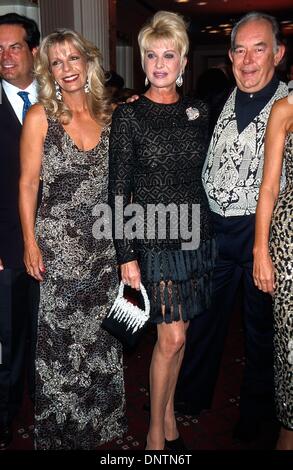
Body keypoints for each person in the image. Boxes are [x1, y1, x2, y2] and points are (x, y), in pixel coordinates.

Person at [176, 12, 287, 442]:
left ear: (278, 53)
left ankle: (256, 420)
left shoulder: (289, 103)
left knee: (261, 334)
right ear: (229, 55)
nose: (248, 59)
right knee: (204, 319)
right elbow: (173, 124)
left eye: (259, 48)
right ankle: (190, 396)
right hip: (214, 231)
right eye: (239, 49)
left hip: (264, 236)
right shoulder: (215, 101)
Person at [108, 11, 216, 451]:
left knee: (181, 336)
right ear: (142, 60)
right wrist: (125, 254)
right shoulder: (129, 117)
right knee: (169, 337)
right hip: (153, 239)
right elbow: (117, 191)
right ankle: (155, 432)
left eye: (168, 55)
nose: (159, 63)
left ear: (184, 62)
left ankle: (168, 415)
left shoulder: (199, 111)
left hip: (195, 236)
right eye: (151, 55)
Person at [19, 29, 126, 450]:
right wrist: (30, 242)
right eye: (57, 62)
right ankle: (61, 434)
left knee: (102, 342)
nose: (66, 69)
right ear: (49, 69)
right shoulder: (39, 117)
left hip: (103, 252)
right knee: (61, 349)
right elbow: (27, 184)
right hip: (57, 255)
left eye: (73, 59)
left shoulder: (112, 115)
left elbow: (123, 189)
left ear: (88, 61)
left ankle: (98, 429)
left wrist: (127, 249)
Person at [0, 12, 40, 450]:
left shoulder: (64, 97)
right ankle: (6, 417)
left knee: (48, 335)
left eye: (13, 47)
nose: (5, 57)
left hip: (62, 246)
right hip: (7, 246)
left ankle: (47, 405)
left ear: (33, 51)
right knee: (8, 339)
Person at [253, 96, 293, 450]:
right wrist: (260, 250)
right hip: (290, 243)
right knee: (290, 347)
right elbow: (269, 186)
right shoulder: (286, 108)